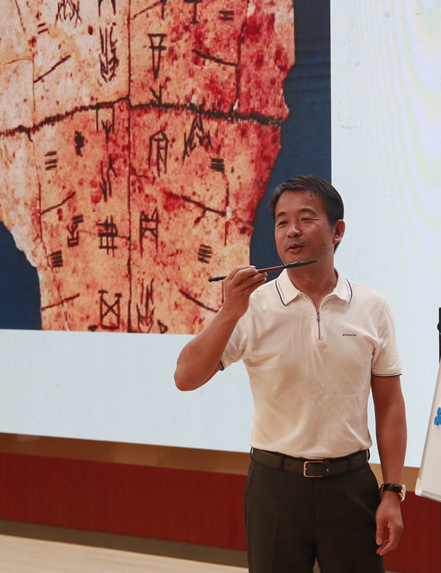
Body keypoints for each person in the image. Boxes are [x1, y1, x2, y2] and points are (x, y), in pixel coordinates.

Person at [174, 175, 407, 573]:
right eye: (282, 222)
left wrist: (392, 491)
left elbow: (390, 405)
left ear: (337, 231)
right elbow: (185, 377)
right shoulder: (252, 306)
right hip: (275, 485)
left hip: (351, 484)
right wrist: (230, 311)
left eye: (305, 218)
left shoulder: (372, 306)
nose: (292, 230)